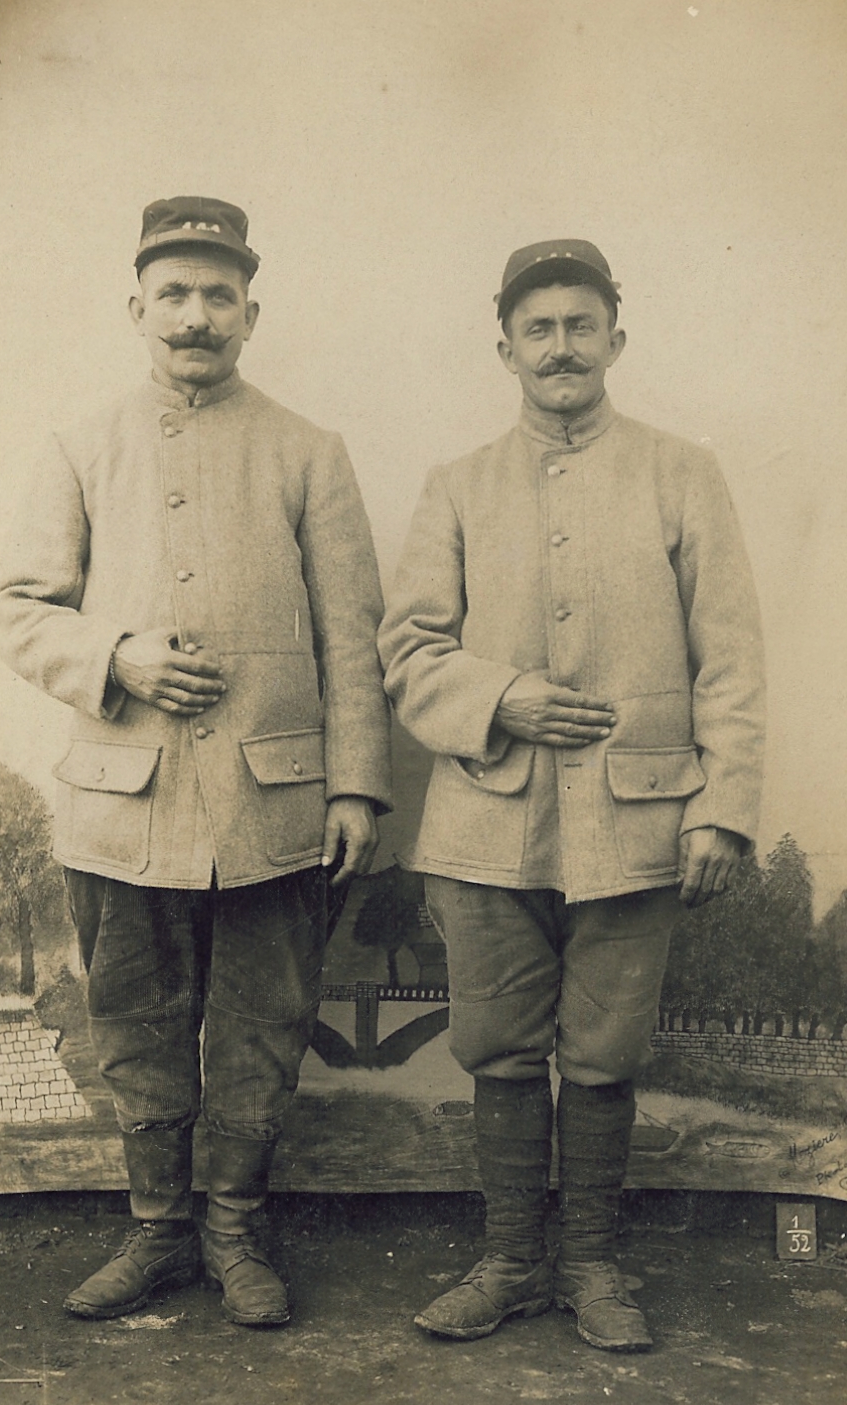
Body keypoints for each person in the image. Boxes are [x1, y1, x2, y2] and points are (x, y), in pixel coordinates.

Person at [0, 197, 391, 1325]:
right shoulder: (81, 447)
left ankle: (235, 1230)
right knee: (135, 1024)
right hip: (125, 802)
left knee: (263, 1026)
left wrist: (357, 784)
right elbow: (16, 607)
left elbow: (352, 635)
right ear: (137, 308)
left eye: (219, 294)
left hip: (273, 805)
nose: (195, 315)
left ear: (252, 314)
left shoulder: (308, 451)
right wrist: (115, 655)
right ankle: (160, 1231)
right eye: (173, 293)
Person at [378, 240, 764, 1352]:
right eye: (538, 328)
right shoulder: (457, 484)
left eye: (580, 325)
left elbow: (731, 656)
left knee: (604, 1052)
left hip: (639, 819)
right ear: (504, 349)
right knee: (497, 1046)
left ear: (614, 341)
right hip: (486, 821)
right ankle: (509, 1263)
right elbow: (407, 650)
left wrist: (722, 807)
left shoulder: (681, 472)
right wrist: (501, 696)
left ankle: (593, 1267)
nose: (560, 347)